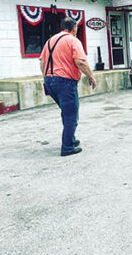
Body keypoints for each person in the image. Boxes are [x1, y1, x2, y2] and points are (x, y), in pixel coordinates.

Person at [39, 17, 96, 157]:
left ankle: (70, 139)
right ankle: (67, 148)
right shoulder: (73, 40)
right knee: (71, 114)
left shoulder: (50, 41)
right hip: (65, 82)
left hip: (49, 80)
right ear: (74, 28)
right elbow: (80, 62)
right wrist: (91, 76)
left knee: (66, 111)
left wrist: (47, 78)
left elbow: (42, 62)